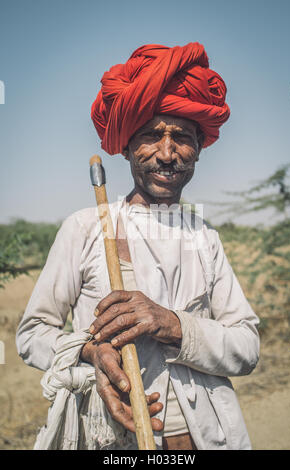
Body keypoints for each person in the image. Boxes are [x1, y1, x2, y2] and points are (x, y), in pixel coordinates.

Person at [16, 42, 259, 451]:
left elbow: (247, 346)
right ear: (127, 145)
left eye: (182, 137)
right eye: (151, 136)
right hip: (112, 438)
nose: (167, 154)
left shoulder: (205, 238)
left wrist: (173, 324)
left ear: (199, 148)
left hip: (209, 437)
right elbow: (32, 334)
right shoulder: (85, 228)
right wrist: (90, 353)